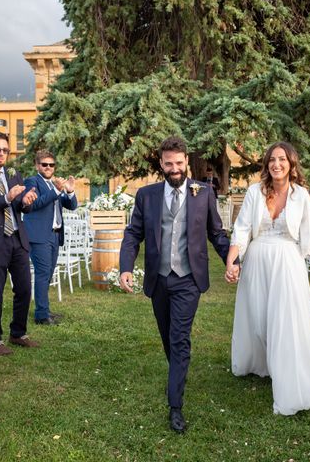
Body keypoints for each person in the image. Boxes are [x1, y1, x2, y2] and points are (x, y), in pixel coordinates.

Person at [119, 136, 231, 433]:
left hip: (189, 279)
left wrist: (231, 260)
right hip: (159, 278)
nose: (174, 168)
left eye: (179, 163)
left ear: (186, 162)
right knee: (168, 338)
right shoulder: (147, 195)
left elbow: (216, 234)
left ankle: (175, 406)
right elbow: (133, 234)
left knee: (180, 338)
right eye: (169, 164)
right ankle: (178, 373)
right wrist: (125, 267)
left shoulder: (203, 193)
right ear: (161, 163)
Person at [225, 141, 310, 416]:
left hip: (288, 262)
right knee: (258, 319)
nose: (276, 164)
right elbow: (242, 228)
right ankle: (260, 363)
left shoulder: (301, 196)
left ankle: (289, 373)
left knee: (286, 321)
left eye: (282, 159)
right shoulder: (254, 193)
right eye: (272, 160)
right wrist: (232, 260)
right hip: (257, 259)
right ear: (266, 165)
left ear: (291, 164)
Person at [0, 132, 39, 356]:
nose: (1, 153)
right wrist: (7, 198)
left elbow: (21, 207)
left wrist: (27, 202)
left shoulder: (14, 174)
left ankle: (18, 333)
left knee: (24, 288)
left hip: (17, 239)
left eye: (5, 150)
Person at [23, 150, 78, 325]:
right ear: (37, 166)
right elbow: (35, 204)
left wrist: (69, 192)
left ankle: (44, 310)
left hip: (54, 236)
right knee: (42, 274)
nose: (48, 167)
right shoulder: (32, 181)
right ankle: (41, 315)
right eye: (44, 164)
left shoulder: (55, 184)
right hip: (39, 236)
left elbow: (72, 206)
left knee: (47, 275)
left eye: (51, 165)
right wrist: (56, 189)